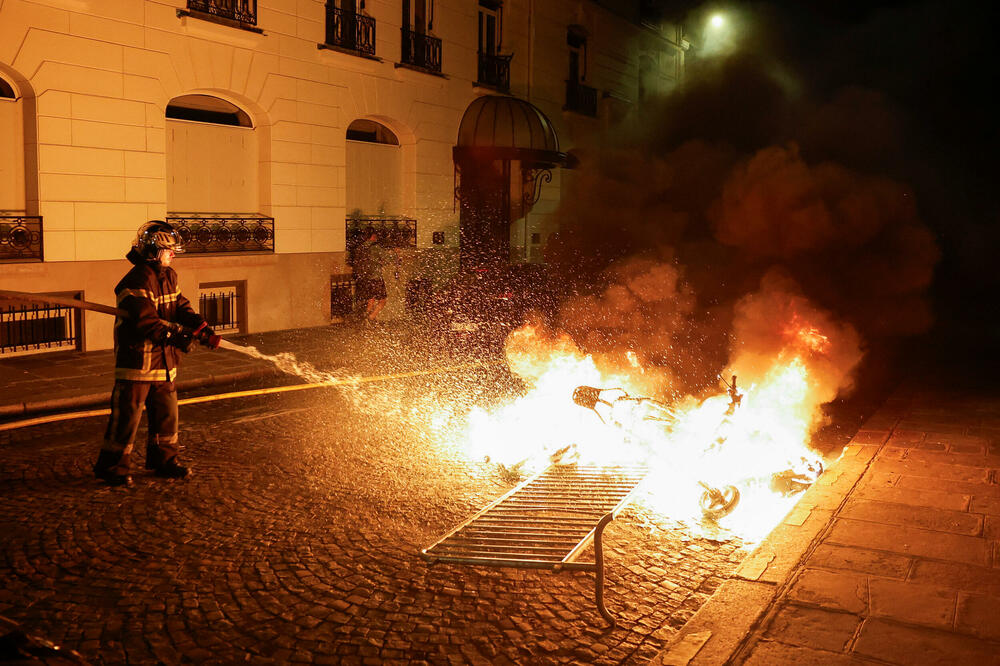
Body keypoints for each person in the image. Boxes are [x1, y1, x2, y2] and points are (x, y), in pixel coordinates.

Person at [93, 220, 221, 487]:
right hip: (138, 362)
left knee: (166, 414)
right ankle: (113, 466)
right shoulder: (137, 279)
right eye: (169, 250)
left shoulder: (168, 276)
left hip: (164, 362)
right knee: (127, 417)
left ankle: (165, 460)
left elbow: (179, 305)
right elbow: (145, 322)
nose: (173, 254)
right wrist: (180, 336)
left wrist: (200, 326)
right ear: (155, 251)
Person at [352, 226, 393, 324]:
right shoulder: (376, 248)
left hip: (363, 278)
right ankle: (371, 317)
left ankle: (365, 318)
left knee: (371, 298)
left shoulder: (360, 248)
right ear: (373, 236)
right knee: (383, 300)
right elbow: (388, 260)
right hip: (375, 278)